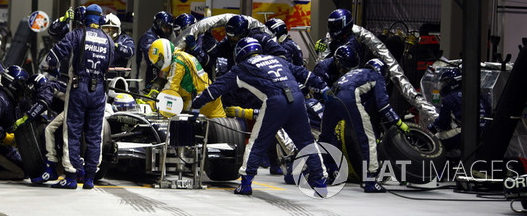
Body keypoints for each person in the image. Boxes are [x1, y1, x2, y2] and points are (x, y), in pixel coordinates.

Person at [192, 37, 330, 196]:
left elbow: (217, 88)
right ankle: (320, 182)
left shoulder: (243, 68)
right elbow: (304, 73)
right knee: (307, 142)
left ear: (240, 53)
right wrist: (323, 87)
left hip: (275, 102)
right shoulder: (277, 60)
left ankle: (246, 183)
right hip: (297, 99)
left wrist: (196, 103)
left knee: (257, 143)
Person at [315, 8, 438, 123]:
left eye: (336, 26)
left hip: (357, 80)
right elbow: (319, 69)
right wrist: (321, 53)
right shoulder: (328, 41)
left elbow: (393, 66)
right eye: (331, 26)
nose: (333, 30)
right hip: (336, 85)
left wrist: (422, 105)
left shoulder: (361, 34)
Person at [42, 3, 113, 190]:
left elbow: (51, 59)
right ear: (100, 19)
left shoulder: (77, 34)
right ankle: (90, 178)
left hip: (78, 87)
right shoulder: (108, 39)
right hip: (99, 91)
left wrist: (51, 69)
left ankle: (71, 176)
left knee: (72, 131)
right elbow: (109, 64)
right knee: (94, 134)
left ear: (84, 18)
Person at [319, 58, 408, 193]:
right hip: (348, 97)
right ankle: (370, 180)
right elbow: (383, 106)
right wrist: (399, 122)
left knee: (325, 136)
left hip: (331, 96)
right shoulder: (376, 76)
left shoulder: (355, 73)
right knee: (368, 138)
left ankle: (321, 172)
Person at [147, 37, 225, 118]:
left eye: (160, 62)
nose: (160, 66)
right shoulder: (181, 56)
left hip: (199, 101)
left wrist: (154, 105)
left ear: (165, 54)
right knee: (224, 127)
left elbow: (170, 90)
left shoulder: (178, 62)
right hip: (211, 98)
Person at [429, 67, 492, 157]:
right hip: (485, 133)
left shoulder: (449, 99)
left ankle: (443, 164)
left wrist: (431, 127)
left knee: (435, 139)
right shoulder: (479, 95)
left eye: (445, 82)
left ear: (453, 82)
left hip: (466, 133)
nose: (442, 86)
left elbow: (443, 123)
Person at [136, 11, 174, 90]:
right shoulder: (148, 38)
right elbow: (151, 57)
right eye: (165, 27)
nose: (167, 31)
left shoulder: (166, 38)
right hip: (145, 81)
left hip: (159, 80)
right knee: (144, 100)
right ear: (158, 24)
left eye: (169, 29)